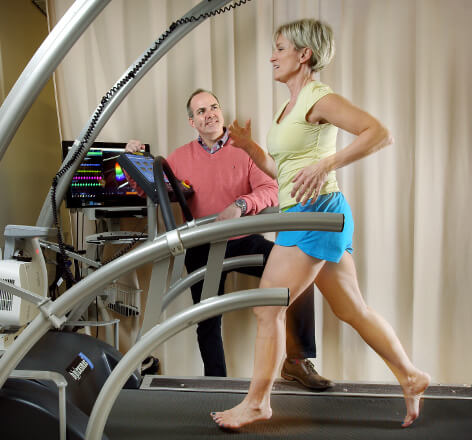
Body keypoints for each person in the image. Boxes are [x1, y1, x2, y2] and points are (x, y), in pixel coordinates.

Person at [210, 19, 430, 429]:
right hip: (312, 213)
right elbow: (284, 170)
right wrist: (250, 147)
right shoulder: (289, 107)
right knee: (353, 309)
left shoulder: (319, 97)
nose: (272, 56)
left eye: (279, 47)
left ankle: (258, 402)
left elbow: (379, 133)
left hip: (317, 215)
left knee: (265, 306)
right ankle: (412, 375)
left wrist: (328, 162)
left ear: (303, 54)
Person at [125, 88, 334, 390]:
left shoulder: (244, 149)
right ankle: (216, 387)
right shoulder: (179, 158)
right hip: (203, 246)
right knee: (207, 321)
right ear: (192, 122)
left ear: (220, 112)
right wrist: (134, 161)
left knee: (300, 273)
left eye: (213, 107)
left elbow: (271, 189)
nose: (209, 114)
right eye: (201, 111)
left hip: (243, 239)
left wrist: (241, 204)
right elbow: (152, 189)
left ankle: (297, 361)